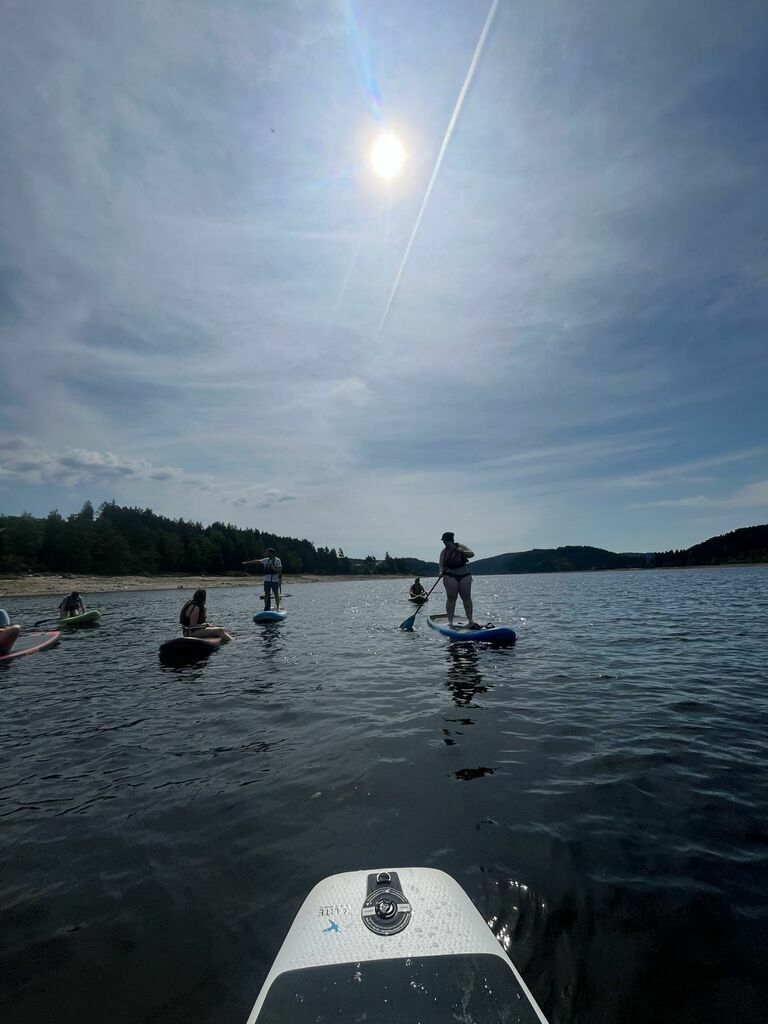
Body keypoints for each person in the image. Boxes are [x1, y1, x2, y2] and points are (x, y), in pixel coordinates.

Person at [438, 531, 480, 629]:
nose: (444, 543)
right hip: (450, 575)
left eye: (445, 541)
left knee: (466, 598)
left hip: (464, 575)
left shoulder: (460, 546)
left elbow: (471, 554)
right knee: (451, 598)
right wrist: (440, 572)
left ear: (450, 541)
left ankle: (470, 620)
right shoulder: (444, 552)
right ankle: (450, 621)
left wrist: (462, 551)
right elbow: (441, 565)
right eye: (443, 541)